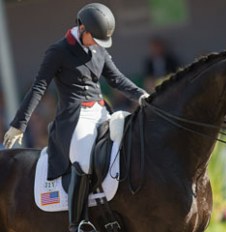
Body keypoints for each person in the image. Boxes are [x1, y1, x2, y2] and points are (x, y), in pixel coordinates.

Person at [3, 3, 148, 231]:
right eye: (95, 38)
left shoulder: (98, 48)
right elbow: (39, 87)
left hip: (102, 111)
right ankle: (78, 223)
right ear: (82, 29)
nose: (98, 44)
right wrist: (19, 124)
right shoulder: (58, 51)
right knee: (83, 159)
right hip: (76, 118)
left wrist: (141, 96)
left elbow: (116, 79)